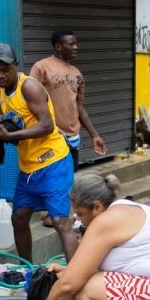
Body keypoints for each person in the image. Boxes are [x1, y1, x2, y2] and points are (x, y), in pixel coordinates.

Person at [0, 43, 79, 262]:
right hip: (28, 167)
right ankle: (28, 268)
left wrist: (10, 137)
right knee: (18, 218)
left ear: (16, 66)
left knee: (60, 221)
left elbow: (47, 125)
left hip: (53, 162)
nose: (1, 75)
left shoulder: (29, 87)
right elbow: (11, 124)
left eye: (5, 70)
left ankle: (76, 279)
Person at [29, 29, 107, 227]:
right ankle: (50, 214)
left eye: (76, 44)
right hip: (51, 134)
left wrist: (94, 135)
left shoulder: (76, 74)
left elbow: (79, 107)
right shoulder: (41, 67)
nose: (76, 48)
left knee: (67, 177)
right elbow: (29, 99)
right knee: (52, 176)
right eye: (71, 44)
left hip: (73, 134)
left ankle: (60, 213)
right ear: (58, 46)